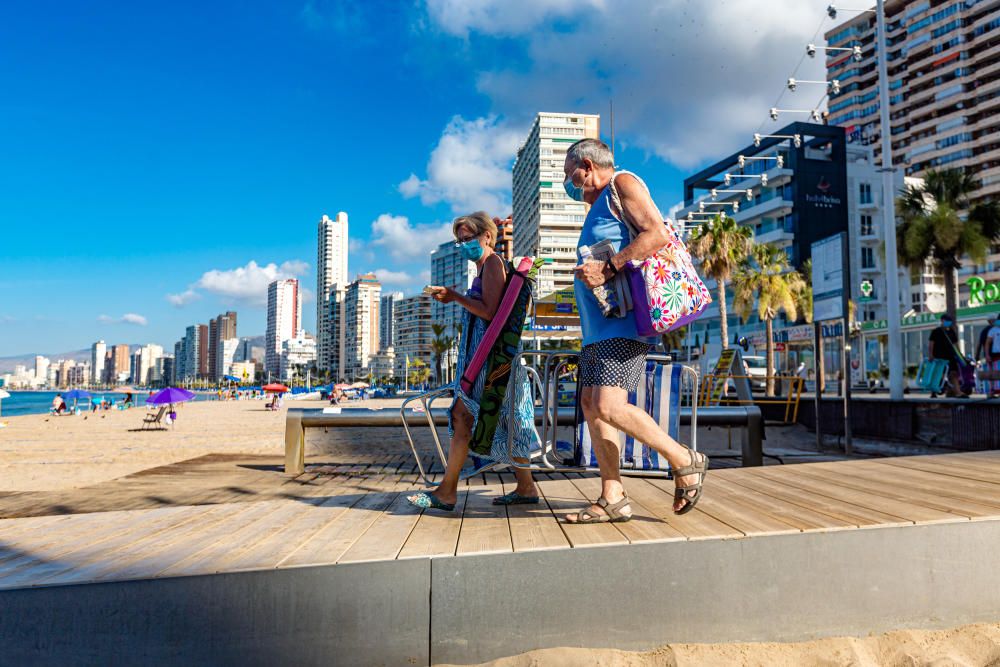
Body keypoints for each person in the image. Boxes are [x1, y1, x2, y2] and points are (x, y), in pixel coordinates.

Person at [565, 138, 708, 522]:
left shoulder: (622, 183)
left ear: (588, 166)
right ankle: (613, 495)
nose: (568, 181)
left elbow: (657, 234)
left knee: (609, 405)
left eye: (569, 173)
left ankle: (684, 459)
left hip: (623, 325)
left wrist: (607, 268)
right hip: (600, 327)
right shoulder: (596, 205)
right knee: (592, 406)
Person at [407, 212, 540, 511]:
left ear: (487, 237)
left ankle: (447, 491)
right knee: (509, 421)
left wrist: (454, 296)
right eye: (459, 240)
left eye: (468, 239)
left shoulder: (492, 264)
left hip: (488, 359)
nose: (463, 245)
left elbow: (491, 312)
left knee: (463, 415)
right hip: (488, 358)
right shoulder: (483, 268)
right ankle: (526, 487)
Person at [928, 313, 967, 398]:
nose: (949, 322)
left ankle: (958, 392)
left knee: (954, 373)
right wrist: (930, 355)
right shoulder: (936, 331)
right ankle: (934, 392)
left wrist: (959, 354)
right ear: (942, 321)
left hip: (950, 356)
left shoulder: (951, 331)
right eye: (947, 320)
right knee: (938, 374)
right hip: (939, 356)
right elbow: (931, 344)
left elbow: (955, 344)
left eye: (949, 321)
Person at [985, 314, 1000, 399]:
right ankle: (994, 391)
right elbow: (987, 343)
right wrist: (987, 355)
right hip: (996, 355)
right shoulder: (993, 330)